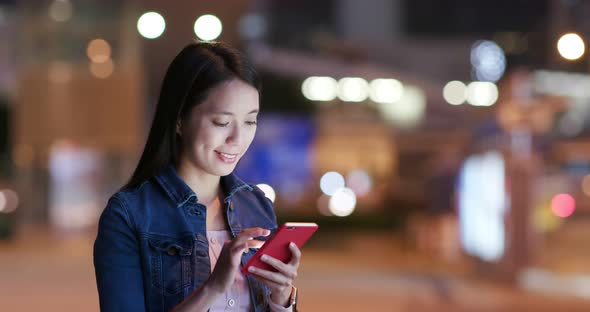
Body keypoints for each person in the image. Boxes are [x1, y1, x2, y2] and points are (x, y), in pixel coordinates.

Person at [93, 41, 300, 312]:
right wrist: (213, 287)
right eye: (222, 123)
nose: (237, 139)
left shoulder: (256, 206)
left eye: (250, 121)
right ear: (179, 119)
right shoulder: (129, 215)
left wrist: (282, 297)